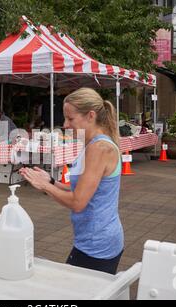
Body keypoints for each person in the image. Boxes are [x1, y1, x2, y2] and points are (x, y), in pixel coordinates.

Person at [19, 87, 124, 275]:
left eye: (70, 118)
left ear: (90, 116)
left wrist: (45, 186)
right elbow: (80, 189)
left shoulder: (99, 148)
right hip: (94, 240)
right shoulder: (93, 144)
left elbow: (78, 202)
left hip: (97, 244)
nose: (65, 124)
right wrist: (51, 182)